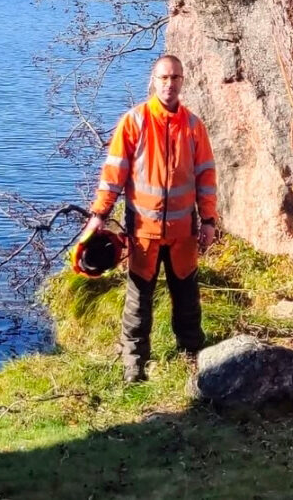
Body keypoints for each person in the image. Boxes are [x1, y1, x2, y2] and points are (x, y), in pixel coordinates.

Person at [80, 54, 217, 382]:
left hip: (183, 233)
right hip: (143, 232)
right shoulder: (134, 122)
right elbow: (113, 175)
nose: (170, 84)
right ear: (153, 81)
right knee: (138, 302)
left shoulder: (194, 127)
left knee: (187, 300)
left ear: (183, 81)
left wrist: (209, 221)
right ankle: (134, 366)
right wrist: (99, 215)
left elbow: (206, 177)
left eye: (175, 77)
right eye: (164, 78)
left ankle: (191, 360)